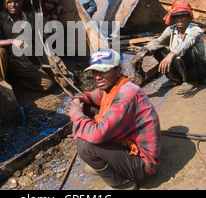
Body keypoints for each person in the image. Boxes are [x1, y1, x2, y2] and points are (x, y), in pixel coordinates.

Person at [66, 48, 161, 190]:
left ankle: (124, 184)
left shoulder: (125, 95)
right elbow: (92, 96)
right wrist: (79, 100)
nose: (97, 77)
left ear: (118, 71)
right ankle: (108, 165)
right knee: (87, 108)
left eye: (103, 71)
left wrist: (76, 114)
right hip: (129, 149)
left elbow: (97, 134)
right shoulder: (113, 87)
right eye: (95, 72)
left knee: (85, 146)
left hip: (142, 165)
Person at [131, 1, 206, 95]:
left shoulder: (196, 30)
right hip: (180, 66)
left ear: (189, 17)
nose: (180, 19)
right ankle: (175, 79)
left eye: (183, 16)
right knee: (157, 49)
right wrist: (142, 52)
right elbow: (158, 41)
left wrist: (170, 55)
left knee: (187, 51)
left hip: (199, 71)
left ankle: (191, 81)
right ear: (173, 19)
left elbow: (186, 44)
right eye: (177, 17)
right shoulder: (170, 30)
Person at [0, 0, 54, 93]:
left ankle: (17, 81)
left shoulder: (29, 18)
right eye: (9, 2)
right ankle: (3, 87)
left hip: (22, 62)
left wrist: (40, 60)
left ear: (21, 2)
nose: (13, 5)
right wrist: (12, 41)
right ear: (5, 3)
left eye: (16, 1)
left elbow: (33, 40)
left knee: (48, 84)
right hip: (6, 61)